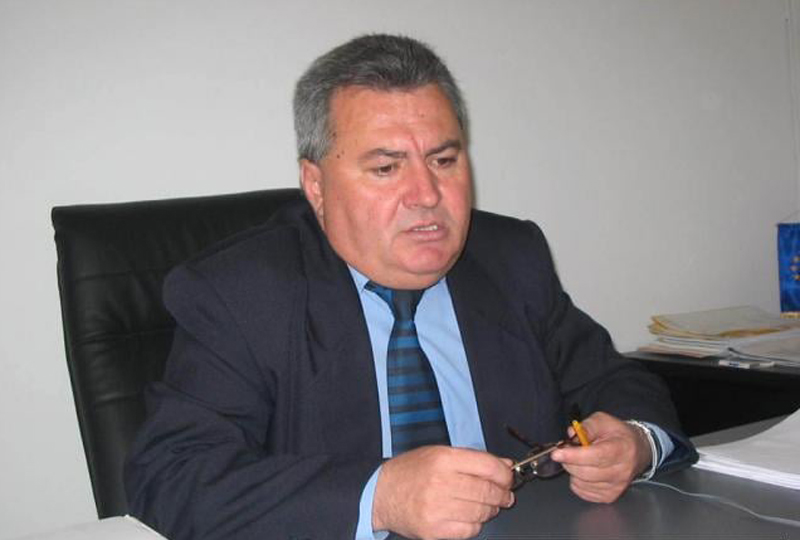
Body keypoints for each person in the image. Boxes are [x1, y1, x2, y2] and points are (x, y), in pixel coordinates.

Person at [125, 34, 697, 540]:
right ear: (316, 186)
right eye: (386, 168)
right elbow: (171, 477)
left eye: (443, 160)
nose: (426, 194)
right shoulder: (241, 292)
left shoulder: (510, 258)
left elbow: (615, 380)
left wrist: (635, 442)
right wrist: (380, 497)